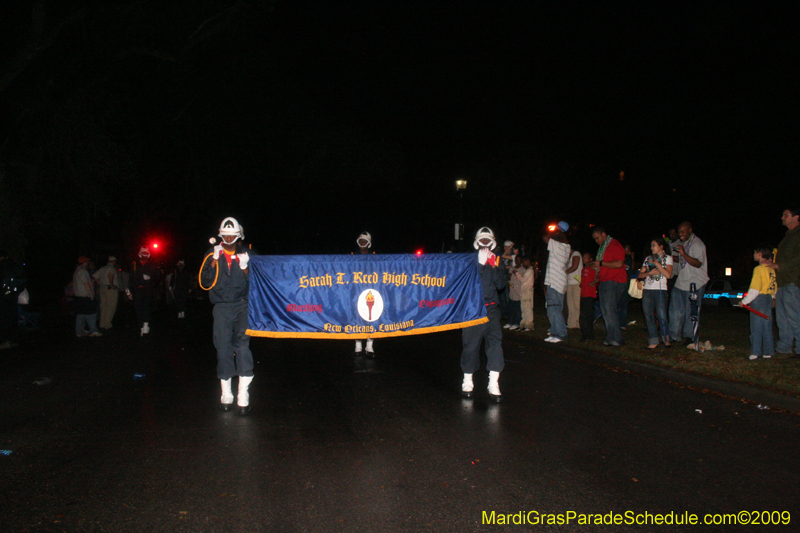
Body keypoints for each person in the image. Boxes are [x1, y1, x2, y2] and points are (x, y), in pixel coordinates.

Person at [200, 217, 253, 415]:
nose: (229, 237)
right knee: (222, 346)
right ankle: (226, 392)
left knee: (242, 344)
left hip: (242, 306)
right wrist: (213, 260)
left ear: (239, 235)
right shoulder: (211, 254)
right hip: (221, 307)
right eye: (226, 234)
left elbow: (258, 283)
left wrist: (246, 268)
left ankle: (243, 393)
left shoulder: (248, 254)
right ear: (221, 235)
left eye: (233, 234)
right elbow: (204, 282)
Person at [461, 227, 506, 402]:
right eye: (482, 240)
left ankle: (493, 383)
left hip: (492, 309)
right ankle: (467, 380)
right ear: (477, 242)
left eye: (488, 240)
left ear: (492, 242)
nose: (485, 244)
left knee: (495, 343)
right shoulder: (468, 261)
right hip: (472, 309)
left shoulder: (497, 260)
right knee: (470, 346)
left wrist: (492, 265)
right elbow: (465, 282)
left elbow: (501, 284)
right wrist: (479, 264)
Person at [668, 222, 709, 347]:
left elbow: (698, 263)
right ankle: (674, 335)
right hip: (681, 281)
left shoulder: (698, 244)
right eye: (679, 232)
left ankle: (690, 336)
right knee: (675, 310)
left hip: (695, 282)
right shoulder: (684, 244)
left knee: (691, 311)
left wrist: (684, 254)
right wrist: (667, 257)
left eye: (683, 232)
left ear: (690, 230)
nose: (680, 235)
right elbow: (680, 259)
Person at [766, 208, 800, 357]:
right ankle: (784, 347)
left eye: (786, 215)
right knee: (782, 318)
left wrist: (780, 266)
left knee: (794, 317)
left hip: (793, 281)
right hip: (782, 282)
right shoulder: (788, 236)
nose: (782, 217)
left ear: (796, 217)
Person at [588, 227, 628, 346]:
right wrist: (597, 268)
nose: (596, 241)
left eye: (598, 238)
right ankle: (611, 337)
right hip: (605, 281)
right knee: (605, 310)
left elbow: (619, 263)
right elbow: (604, 266)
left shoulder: (614, 244)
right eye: (595, 239)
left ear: (604, 234)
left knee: (610, 310)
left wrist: (600, 263)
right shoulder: (602, 248)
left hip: (615, 281)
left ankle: (617, 338)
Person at [741, 245, 777, 360]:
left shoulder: (759, 269)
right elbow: (774, 286)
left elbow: (755, 289)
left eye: (755, 253)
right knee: (767, 326)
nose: (753, 255)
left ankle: (755, 352)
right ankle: (768, 352)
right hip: (768, 299)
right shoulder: (771, 269)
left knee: (756, 327)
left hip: (759, 299)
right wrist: (773, 298)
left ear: (760, 254)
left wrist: (744, 302)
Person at [637, 238, 673, 349]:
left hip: (660, 290)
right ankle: (653, 340)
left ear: (661, 246)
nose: (651, 248)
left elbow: (668, 275)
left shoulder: (668, 258)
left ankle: (666, 339)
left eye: (654, 245)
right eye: (651, 245)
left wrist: (657, 263)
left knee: (662, 316)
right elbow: (639, 275)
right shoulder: (648, 259)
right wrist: (649, 273)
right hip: (648, 290)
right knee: (648, 316)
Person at [542, 221, 571, 343]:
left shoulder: (556, 245)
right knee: (554, 308)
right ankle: (555, 332)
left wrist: (552, 230)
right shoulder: (567, 247)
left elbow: (545, 237)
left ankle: (561, 333)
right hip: (559, 280)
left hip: (554, 281)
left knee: (553, 308)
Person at [128, 247, 160, 336]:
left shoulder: (152, 265)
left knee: (147, 307)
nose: (145, 255)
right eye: (143, 253)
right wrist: (130, 290)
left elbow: (158, 278)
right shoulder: (134, 264)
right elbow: (131, 278)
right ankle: (140, 325)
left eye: (146, 253)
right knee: (138, 308)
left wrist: (150, 278)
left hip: (148, 290)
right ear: (140, 254)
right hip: (137, 290)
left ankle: (146, 324)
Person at [354, 231, 376, 357]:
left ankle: (369, 346)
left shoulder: (375, 256)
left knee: (371, 318)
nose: (363, 243)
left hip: (371, 289)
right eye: (361, 241)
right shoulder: (351, 256)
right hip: (356, 290)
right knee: (357, 318)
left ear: (369, 244)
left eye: (365, 241)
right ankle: (358, 346)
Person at [0, 249, 26, 349]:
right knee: (12, 316)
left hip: (3, 296)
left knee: (3, 318)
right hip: (13, 295)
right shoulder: (15, 266)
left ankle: (5, 340)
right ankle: (14, 339)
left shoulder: (3, 267)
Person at [73, 256, 102, 338]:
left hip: (78, 297)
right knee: (91, 314)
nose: (88, 264)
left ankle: (80, 331)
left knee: (81, 315)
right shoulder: (82, 271)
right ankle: (93, 330)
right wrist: (91, 294)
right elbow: (86, 283)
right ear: (84, 262)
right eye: (87, 262)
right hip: (85, 297)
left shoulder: (77, 271)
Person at [93, 256, 119, 329]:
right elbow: (110, 276)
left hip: (102, 288)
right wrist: (112, 285)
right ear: (113, 261)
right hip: (110, 288)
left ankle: (102, 323)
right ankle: (107, 323)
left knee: (103, 306)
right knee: (111, 306)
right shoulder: (111, 268)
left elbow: (94, 276)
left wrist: (100, 283)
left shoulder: (102, 268)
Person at [579, 252, 598, 342]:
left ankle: (589, 335)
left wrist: (594, 282)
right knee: (583, 315)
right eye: (583, 258)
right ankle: (584, 334)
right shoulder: (584, 269)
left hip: (590, 295)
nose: (584, 259)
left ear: (590, 259)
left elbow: (600, 275)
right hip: (583, 294)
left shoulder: (592, 266)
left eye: (586, 258)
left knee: (587, 316)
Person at [565, 246, 582, 329]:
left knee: (577, 304)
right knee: (570, 304)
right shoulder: (569, 257)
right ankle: (571, 323)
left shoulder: (576, 254)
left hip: (576, 283)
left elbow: (575, 266)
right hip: (569, 283)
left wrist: (564, 272)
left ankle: (579, 323)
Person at [505, 256, 523, 330]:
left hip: (518, 291)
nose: (517, 261)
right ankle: (511, 322)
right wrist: (508, 277)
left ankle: (517, 322)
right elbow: (509, 277)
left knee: (517, 308)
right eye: (516, 260)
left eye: (518, 260)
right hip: (512, 290)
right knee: (511, 307)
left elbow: (522, 280)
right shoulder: (512, 268)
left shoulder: (523, 269)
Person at [518, 256, 535, 331]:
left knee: (528, 308)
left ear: (527, 261)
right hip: (524, 291)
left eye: (524, 261)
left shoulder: (530, 271)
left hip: (527, 290)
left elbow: (523, 280)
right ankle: (524, 324)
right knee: (523, 308)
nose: (523, 263)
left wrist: (517, 274)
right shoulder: (527, 270)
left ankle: (529, 324)